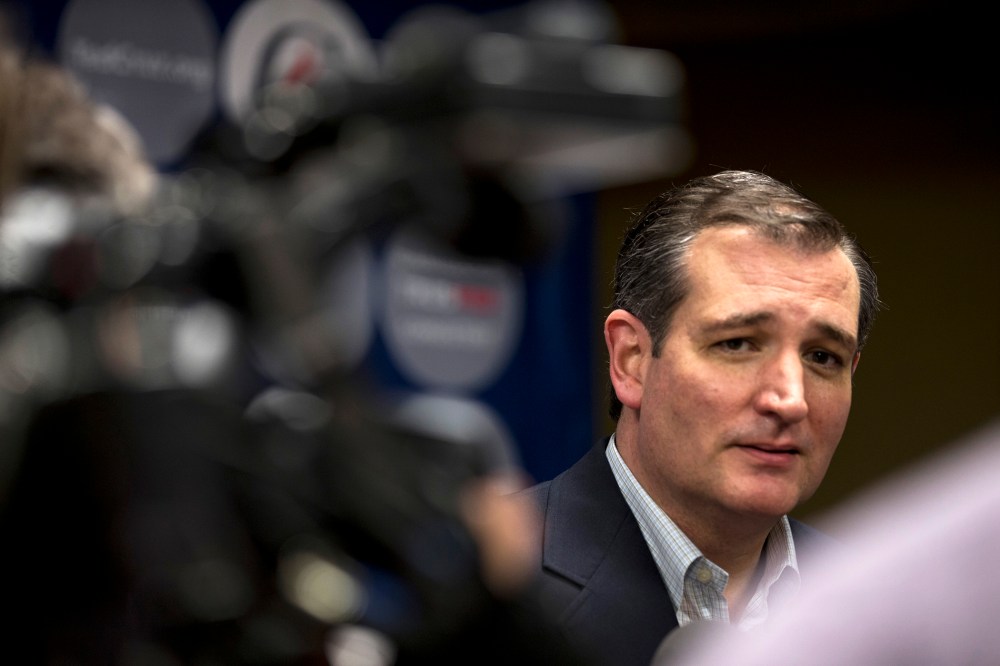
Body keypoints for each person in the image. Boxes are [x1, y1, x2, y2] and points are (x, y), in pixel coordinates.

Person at [518, 169, 880, 666]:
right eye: (737, 344)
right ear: (631, 359)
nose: (791, 399)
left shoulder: (880, 605)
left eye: (822, 357)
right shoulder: (487, 588)